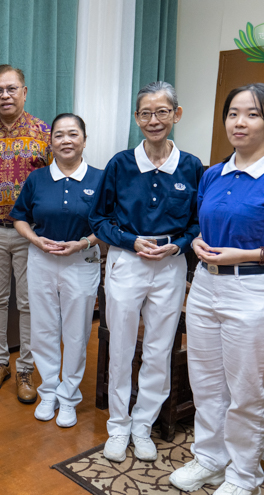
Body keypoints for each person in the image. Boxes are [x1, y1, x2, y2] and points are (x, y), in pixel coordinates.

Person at [169, 83, 264, 495]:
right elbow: (207, 226)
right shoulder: (213, 174)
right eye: (233, 113)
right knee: (205, 385)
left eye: (252, 114)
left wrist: (252, 254)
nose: (239, 121)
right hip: (204, 287)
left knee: (245, 393)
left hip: (253, 292)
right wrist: (198, 242)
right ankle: (208, 458)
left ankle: (243, 476)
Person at [89, 82, 203, 462]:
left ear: (177, 114)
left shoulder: (191, 166)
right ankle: (118, 426)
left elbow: (197, 223)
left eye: (162, 112)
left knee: (158, 349)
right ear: (137, 118)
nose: (154, 120)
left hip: (170, 266)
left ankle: (143, 425)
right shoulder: (121, 164)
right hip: (128, 261)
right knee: (120, 347)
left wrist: (181, 244)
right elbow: (99, 219)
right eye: (146, 113)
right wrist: (130, 241)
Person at [10, 113, 102, 428]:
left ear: (84, 140)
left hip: (82, 261)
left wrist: (83, 243)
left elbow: (107, 225)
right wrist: (34, 239)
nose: (66, 140)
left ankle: (69, 397)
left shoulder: (100, 179)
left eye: (73, 134)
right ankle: (48, 390)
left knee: (77, 333)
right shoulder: (37, 179)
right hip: (42, 259)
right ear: (51, 142)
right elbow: (20, 217)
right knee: (44, 330)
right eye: (59, 135)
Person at [0, 65, 51, 403]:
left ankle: (26, 370)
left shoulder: (45, 133)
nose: (5, 95)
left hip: (30, 234)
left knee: (29, 303)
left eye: (11, 89)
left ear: (24, 92)